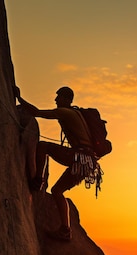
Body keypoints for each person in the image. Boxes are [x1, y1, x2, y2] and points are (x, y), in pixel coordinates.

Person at [14, 85, 98, 241]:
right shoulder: (76, 113)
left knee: (43, 147)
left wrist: (19, 98)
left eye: (58, 97)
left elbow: (37, 113)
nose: (56, 99)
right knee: (57, 191)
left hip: (79, 157)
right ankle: (66, 230)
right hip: (87, 162)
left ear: (66, 99)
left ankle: (38, 180)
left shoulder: (65, 112)